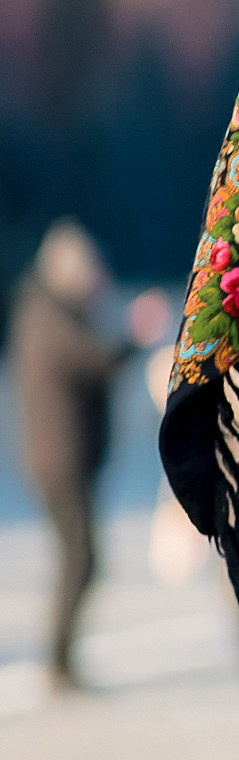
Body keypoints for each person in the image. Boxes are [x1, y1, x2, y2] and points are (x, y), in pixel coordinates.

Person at [8, 219, 125, 692]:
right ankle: (58, 661)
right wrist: (132, 335)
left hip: (68, 456)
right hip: (59, 460)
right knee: (79, 561)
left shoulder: (49, 307)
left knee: (81, 560)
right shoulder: (45, 313)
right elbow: (92, 359)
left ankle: (62, 659)